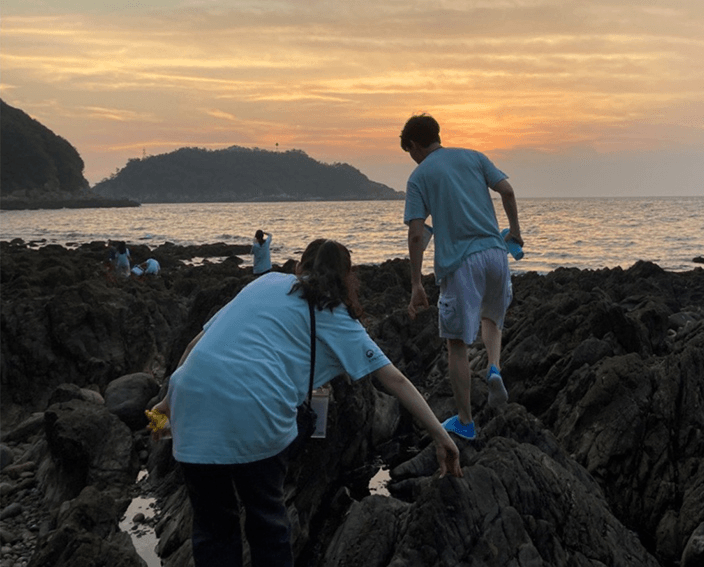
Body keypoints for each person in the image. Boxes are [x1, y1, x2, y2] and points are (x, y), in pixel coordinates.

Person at [150, 238, 462, 567]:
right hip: (256, 410)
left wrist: (168, 403)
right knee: (267, 522)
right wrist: (442, 437)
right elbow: (394, 379)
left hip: (191, 401)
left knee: (213, 527)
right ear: (347, 277)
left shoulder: (267, 280)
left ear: (299, 268)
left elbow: (196, 345)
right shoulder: (338, 317)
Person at [400, 114, 523, 440]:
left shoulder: (419, 177)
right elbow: (507, 192)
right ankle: (494, 367)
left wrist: (416, 284)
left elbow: (416, 234)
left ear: (414, 145)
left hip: (460, 264)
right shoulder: (475, 156)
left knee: (457, 345)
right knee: (492, 319)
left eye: (409, 151)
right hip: (496, 254)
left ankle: (465, 421)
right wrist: (517, 234)